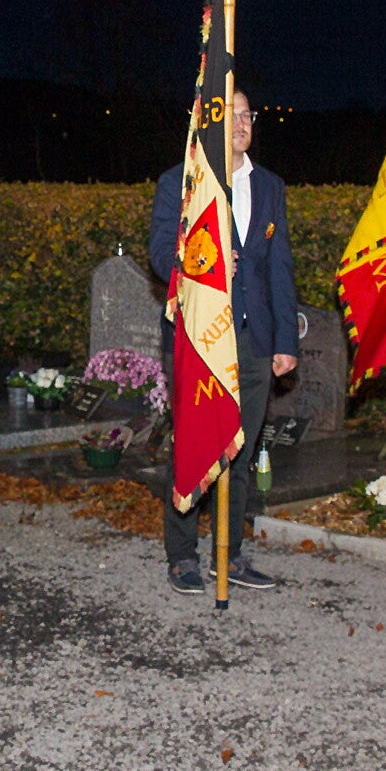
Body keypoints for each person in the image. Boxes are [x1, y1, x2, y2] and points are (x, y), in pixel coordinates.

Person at [149, 89, 298, 594]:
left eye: (247, 115)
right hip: (198, 339)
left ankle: (228, 554)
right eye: (231, 115)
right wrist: (202, 260)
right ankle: (182, 556)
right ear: (208, 121)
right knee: (194, 444)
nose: (241, 123)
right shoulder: (181, 182)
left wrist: (285, 340)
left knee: (240, 449)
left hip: (254, 340)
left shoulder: (270, 185)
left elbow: (279, 267)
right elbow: (160, 254)